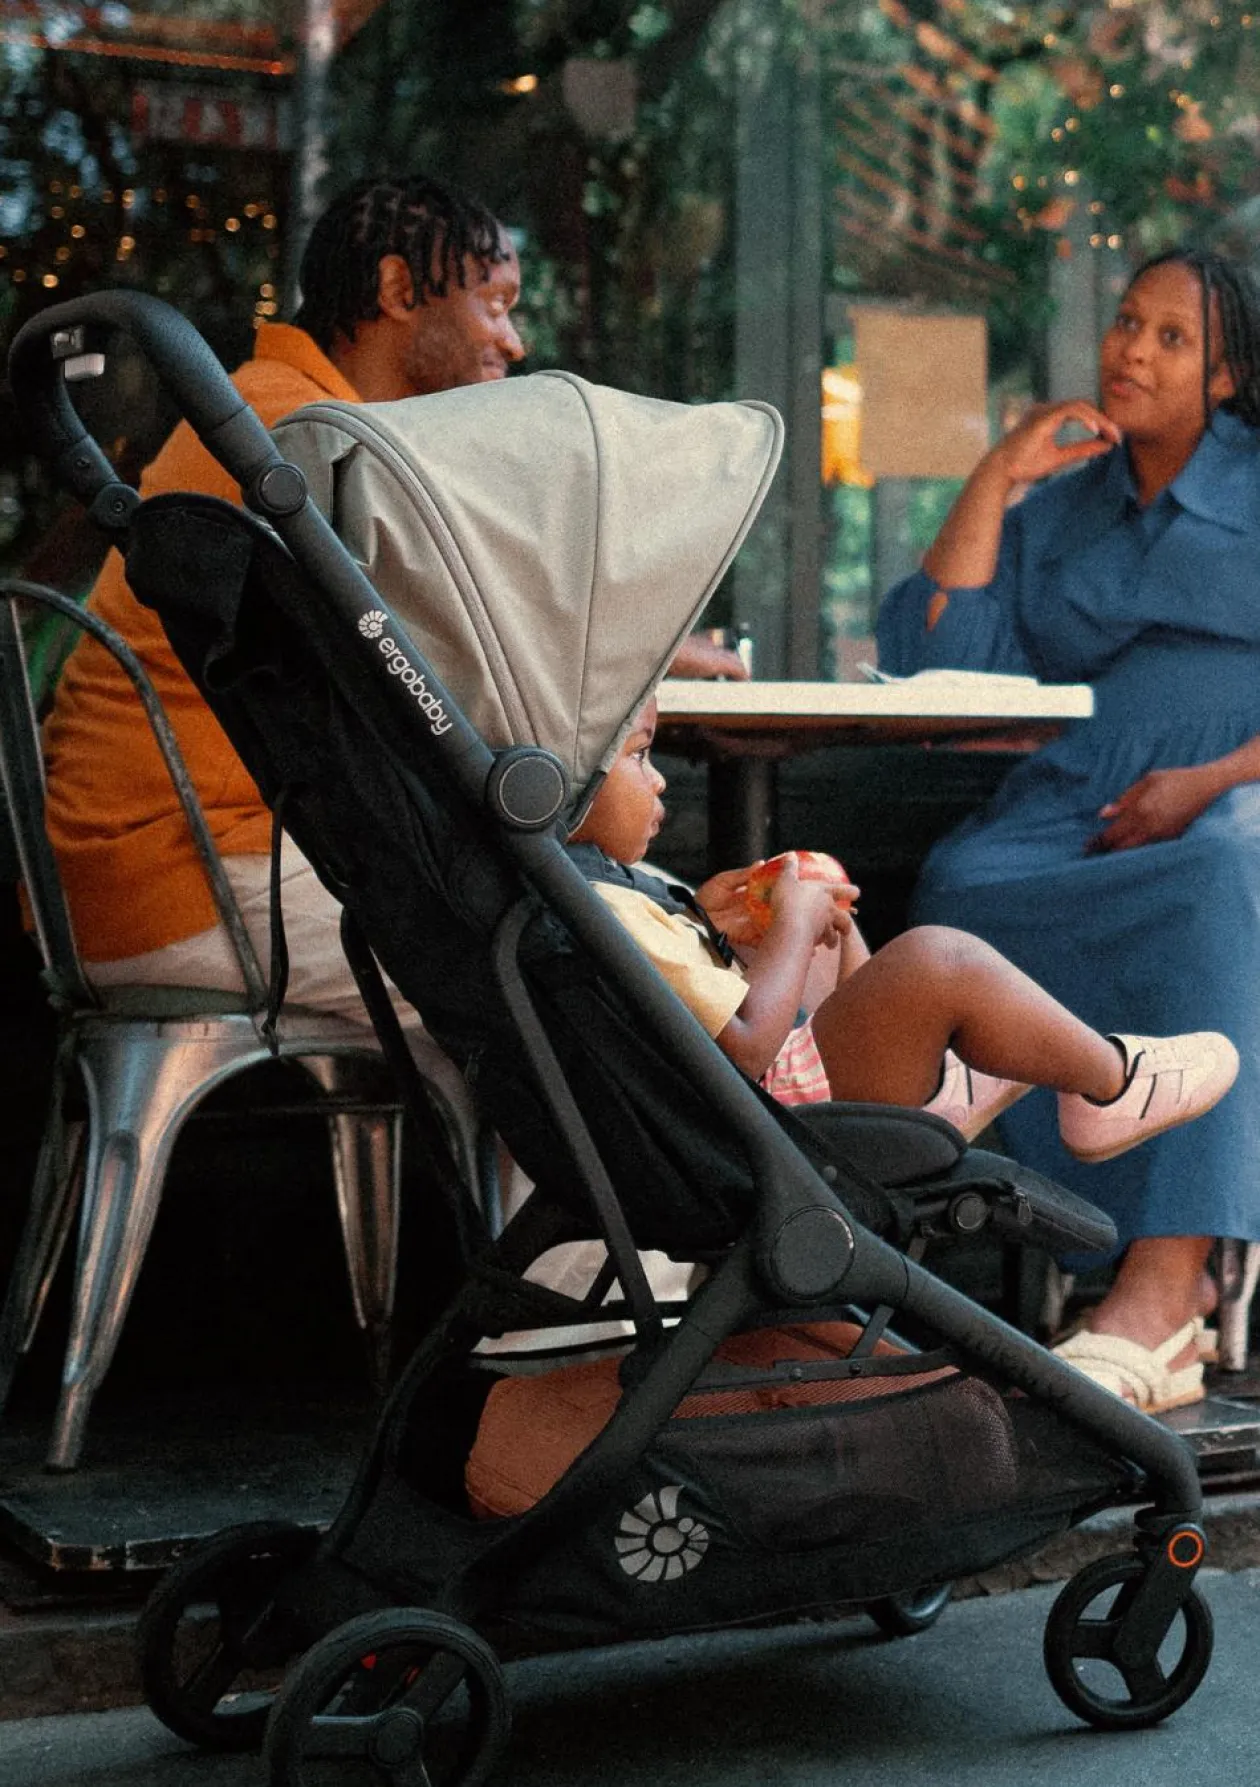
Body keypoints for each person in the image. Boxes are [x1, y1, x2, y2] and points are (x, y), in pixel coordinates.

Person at [40, 172, 741, 1026]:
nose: (514, 341)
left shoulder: (268, 410)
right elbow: (472, 654)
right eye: (495, 304)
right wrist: (648, 667)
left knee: (613, 930)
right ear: (400, 290)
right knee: (579, 977)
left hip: (155, 865)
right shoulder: (298, 440)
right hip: (189, 873)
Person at [568, 698, 1239, 1410]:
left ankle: (940, 1080)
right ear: (562, 783)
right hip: (751, 1133)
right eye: (639, 755)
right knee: (934, 961)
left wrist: (706, 921)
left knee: (832, 932)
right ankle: (1109, 1082)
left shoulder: (596, 895)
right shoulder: (604, 907)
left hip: (717, 1121)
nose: (660, 779)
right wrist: (790, 924)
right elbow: (746, 1043)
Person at [875, 246, 1260, 1411]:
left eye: (1172, 336)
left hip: (1237, 782)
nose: (1131, 349)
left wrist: (1208, 780)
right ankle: (1028, 1236)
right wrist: (998, 473)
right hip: (1079, 789)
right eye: (1126, 322)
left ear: (1227, 375)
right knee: (964, 887)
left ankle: (1170, 1283)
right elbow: (936, 660)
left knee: (1218, 871)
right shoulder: (1070, 501)